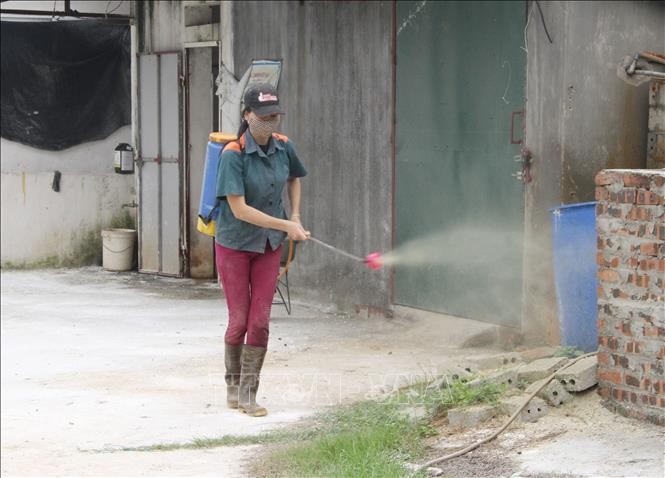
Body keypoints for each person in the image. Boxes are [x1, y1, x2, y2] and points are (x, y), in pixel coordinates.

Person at [215, 83, 310, 417]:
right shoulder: (233, 155)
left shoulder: (284, 147)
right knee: (239, 319)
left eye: (275, 116)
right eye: (264, 116)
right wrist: (287, 226)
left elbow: (295, 178)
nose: (271, 122)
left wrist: (295, 215)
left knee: (260, 320)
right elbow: (239, 210)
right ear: (247, 115)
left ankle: (248, 394)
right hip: (235, 244)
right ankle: (232, 385)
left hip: (269, 246)